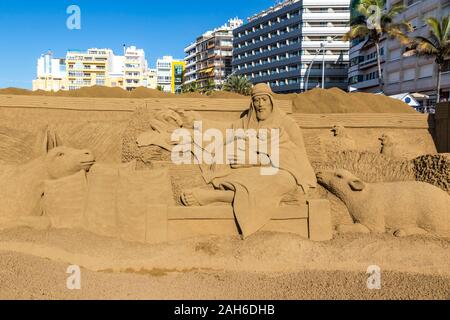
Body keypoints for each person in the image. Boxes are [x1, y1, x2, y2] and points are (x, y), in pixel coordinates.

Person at [180, 83, 317, 238]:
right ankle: (224, 193)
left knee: (274, 180)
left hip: (288, 173)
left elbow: (297, 156)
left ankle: (213, 197)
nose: (260, 104)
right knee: (244, 171)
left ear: (272, 101)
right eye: (256, 100)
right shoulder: (248, 122)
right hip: (257, 171)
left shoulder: (287, 123)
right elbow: (227, 129)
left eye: (264, 99)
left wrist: (255, 159)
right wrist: (198, 123)